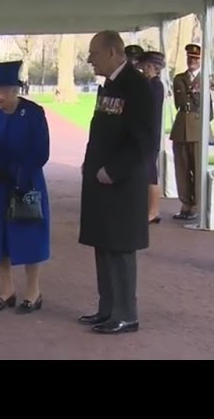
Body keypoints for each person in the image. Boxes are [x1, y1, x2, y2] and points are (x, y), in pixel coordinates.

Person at [78, 30, 153, 334]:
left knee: (120, 248)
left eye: (94, 53)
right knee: (104, 243)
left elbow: (144, 141)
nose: (90, 59)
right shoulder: (110, 85)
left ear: (112, 52)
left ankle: (126, 314)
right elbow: (102, 130)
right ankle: (107, 309)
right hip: (101, 179)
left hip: (121, 183)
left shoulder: (137, 86)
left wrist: (114, 169)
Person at [0, 61, 50, 314]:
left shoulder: (33, 112)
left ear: (15, 90)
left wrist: (18, 172)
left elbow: (41, 151)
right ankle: (6, 291)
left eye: (2, 91)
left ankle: (33, 292)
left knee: (29, 236)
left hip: (25, 183)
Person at [169, 43, 214, 221]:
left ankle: (198, 204)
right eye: (190, 58)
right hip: (181, 128)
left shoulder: (210, 79)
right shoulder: (179, 78)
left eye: (196, 59)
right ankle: (185, 203)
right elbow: (180, 102)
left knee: (198, 168)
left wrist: (204, 119)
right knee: (182, 169)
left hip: (199, 127)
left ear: (202, 60)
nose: (192, 61)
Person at [137, 51, 166, 224]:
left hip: (150, 133)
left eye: (148, 66)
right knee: (146, 170)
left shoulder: (155, 86)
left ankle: (154, 211)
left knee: (150, 172)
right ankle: (148, 208)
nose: (145, 70)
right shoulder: (147, 84)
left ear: (156, 68)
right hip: (145, 132)